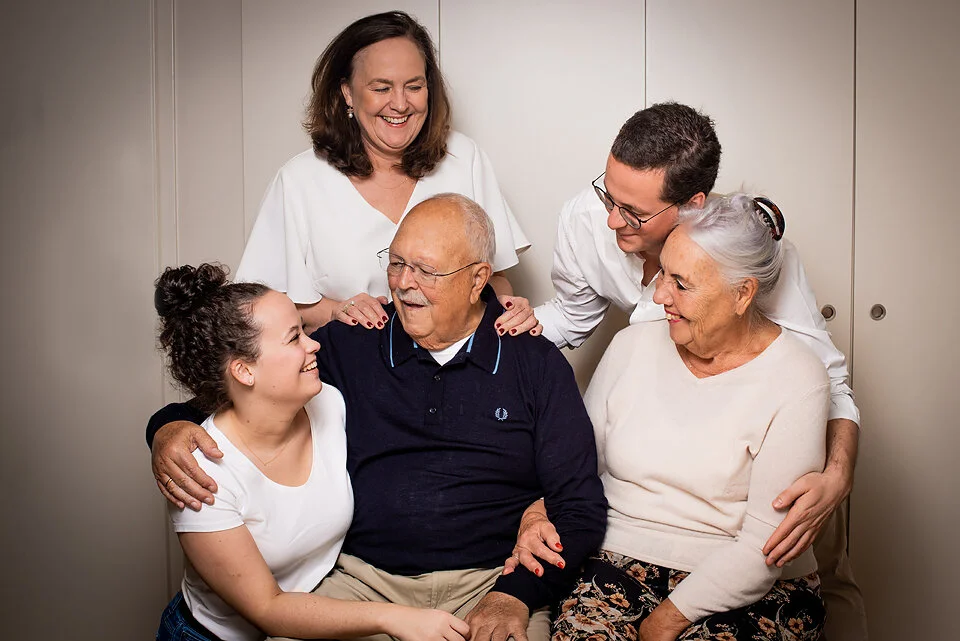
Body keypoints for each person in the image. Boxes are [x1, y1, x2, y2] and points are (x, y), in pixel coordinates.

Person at [148, 194, 608, 641]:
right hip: (361, 582)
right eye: (396, 262)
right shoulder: (349, 343)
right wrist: (167, 428)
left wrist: (516, 594)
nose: (404, 283)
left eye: (425, 270)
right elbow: (236, 394)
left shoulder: (534, 361)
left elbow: (580, 506)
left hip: (491, 581)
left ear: (477, 280)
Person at [527, 103, 864, 639]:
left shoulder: (754, 259)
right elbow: (572, 315)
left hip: (760, 497)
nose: (612, 219)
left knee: (820, 563)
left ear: (692, 207)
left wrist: (839, 473)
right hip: (640, 511)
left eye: (633, 212)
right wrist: (502, 325)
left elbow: (826, 382)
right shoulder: (592, 227)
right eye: (608, 196)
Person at [550, 193, 828, 640]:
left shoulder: (797, 377)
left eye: (681, 284)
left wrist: (664, 621)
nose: (660, 295)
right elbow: (574, 473)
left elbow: (764, 548)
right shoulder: (631, 347)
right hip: (615, 559)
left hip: (750, 579)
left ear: (742, 294)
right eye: (663, 273)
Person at [151, 263, 468, 641]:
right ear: (244, 371)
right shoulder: (203, 475)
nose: (314, 344)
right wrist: (397, 618)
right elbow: (268, 609)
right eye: (293, 338)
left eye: (304, 330)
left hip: (318, 618)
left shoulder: (328, 402)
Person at [235, 10, 536, 337]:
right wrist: (336, 310)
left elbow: (495, 278)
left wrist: (508, 307)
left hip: (454, 362)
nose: (400, 104)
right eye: (381, 88)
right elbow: (263, 307)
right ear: (347, 93)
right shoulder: (298, 181)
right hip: (348, 363)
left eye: (414, 86)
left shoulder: (464, 158)